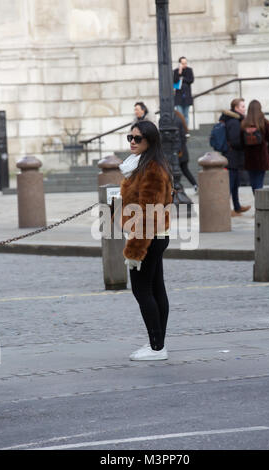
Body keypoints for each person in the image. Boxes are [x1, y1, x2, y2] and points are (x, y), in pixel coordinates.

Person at [118, 120, 173, 361]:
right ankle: (157, 343)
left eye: (137, 138)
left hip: (147, 236)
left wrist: (134, 250)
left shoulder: (151, 168)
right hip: (154, 235)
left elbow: (148, 212)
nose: (132, 141)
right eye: (129, 137)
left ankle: (156, 347)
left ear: (150, 141)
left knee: (142, 290)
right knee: (155, 288)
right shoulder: (143, 164)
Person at [219, 98, 251, 217]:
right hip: (232, 156)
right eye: (242, 106)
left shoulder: (235, 120)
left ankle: (237, 207)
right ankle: (226, 209)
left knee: (235, 183)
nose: (244, 109)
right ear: (236, 108)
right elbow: (235, 141)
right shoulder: (234, 122)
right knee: (231, 184)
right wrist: (245, 143)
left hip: (233, 156)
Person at [241, 100, 269, 193]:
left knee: (253, 182)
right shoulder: (264, 123)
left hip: (249, 158)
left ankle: (257, 201)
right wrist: (268, 154)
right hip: (261, 157)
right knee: (259, 182)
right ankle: (259, 204)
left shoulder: (244, 124)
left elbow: (241, 142)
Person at [174, 109, 198, 193]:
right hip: (182, 151)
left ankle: (179, 188)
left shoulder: (175, 120)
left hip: (179, 152)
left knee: (179, 170)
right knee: (184, 170)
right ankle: (195, 185)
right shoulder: (179, 118)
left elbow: (180, 137)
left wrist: (177, 150)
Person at [173, 57, 194, 129]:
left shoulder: (189, 70)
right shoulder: (176, 71)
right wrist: (179, 72)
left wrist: (183, 78)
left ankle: (186, 130)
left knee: (186, 115)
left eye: (185, 63)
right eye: (182, 63)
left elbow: (191, 80)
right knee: (180, 115)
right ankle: (181, 130)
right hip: (179, 97)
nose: (184, 65)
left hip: (187, 96)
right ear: (179, 64)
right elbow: (174, 81)